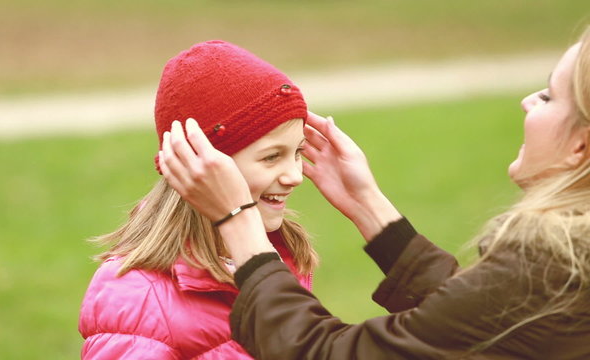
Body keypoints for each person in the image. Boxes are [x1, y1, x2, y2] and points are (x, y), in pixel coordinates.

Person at [159, 28, 590, 359]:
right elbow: (487, 326)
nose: (527, 102)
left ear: (581, 146)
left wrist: (237, 220)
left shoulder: (553, 268)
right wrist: (369, 208)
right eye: (272, 157)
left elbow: (326, 353)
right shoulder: (560, 272)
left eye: (550, 97)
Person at [78, 40, 318, 359]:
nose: (295, 176)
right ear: (203, 165)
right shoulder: (139, 298)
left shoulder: (281, 259)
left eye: (297, 152)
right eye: (272, 157)